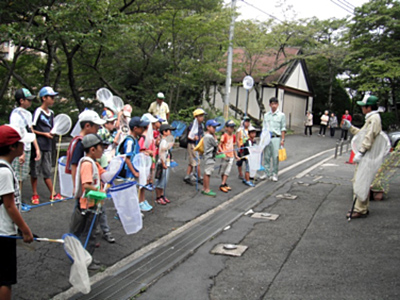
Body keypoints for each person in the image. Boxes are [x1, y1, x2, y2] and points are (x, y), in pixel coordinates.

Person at [0, 125, 34, 300]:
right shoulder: (4, 172)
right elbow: (10, 206)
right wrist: (25, 229)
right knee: (5, 280)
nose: (24, 146)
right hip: (4, 233)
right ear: (12, 147)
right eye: (21, 143)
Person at [69, 134, 107, 270]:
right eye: (100, 147)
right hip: (88, 205)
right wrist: (100, 191)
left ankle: (86, 258)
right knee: (88, 233)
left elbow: (105, 175)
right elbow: (86, 185)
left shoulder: (94, 163)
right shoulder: (87, 164)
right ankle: (85, 260)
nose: (102, 150)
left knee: (90, 233)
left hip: (94, 204)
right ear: (92, 149)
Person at [344, 96, 382, 219]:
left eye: (363, 106)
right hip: (367, 154)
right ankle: (362, 207)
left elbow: (368, 137)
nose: (361, 108)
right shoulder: (372, 118)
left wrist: (361, 151)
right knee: (363, 181)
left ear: (369, 107)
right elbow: (362, 134)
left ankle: (359, 209)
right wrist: (351, 127)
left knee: (359, 181)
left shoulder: (374, 118)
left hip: (367, 155)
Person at [30, 86, 62, 204]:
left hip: (48, 145)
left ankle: (53, 193)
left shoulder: (52, 113)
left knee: (47, 170)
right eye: (51, 97)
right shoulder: (38, 111)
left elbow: (52, 128)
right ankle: (34, 194)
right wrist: (44, 134)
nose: (53, 100)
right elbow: (31, 128)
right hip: (38, 145)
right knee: (35, 170)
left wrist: (53, 133)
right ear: (44, 98)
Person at [116, 116, 151, 212]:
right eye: (141, 127)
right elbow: (127, 159)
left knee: (132, 193)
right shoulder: (130, 141)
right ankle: (123, 212)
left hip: (133, 169)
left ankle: (129, 211)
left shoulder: (135, 140)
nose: (143, 129)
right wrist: (134, 172)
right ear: (135, 128)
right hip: (129, 171)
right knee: (129, 193)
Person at [9, 88, 41, 190]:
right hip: (20, 148)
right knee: (16, 175)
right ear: (21, 100)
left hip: (27, 147)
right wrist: (20, 152)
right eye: (28, 100)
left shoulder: (28, 114)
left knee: (22, 176)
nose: (30, 102)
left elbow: (31, 130)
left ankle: (18, 198)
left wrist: (37, 148)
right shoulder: (16, 114)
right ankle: (15, 199)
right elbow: (16, 133)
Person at [261, 97, 286, 182]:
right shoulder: (266, 115)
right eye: (272, 104)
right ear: (269, 105)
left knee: (275, 156)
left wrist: (282, 140)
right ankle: (267, 173)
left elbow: (283, 128)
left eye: (275, 104)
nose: (274, 106)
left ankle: (274, 173)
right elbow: (264, 127)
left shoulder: (281, 115)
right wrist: (262, 139)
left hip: (276, 138)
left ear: (278, 105)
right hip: (267, 137)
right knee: (266, 156)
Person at [154, 124, 175, 205]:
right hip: (162, 164)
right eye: (169, 130)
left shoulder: (165, 141)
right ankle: (158, 197)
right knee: (160, 180)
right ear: (164, 132)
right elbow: (161, 154)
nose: (170, 132)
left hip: (166, 162)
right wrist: (163, 163)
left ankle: (162, 195)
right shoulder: (163, 142)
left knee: (164, 181)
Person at [183, 108, 205, 185]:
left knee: (192, 161)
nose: (202, 117)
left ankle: (187, 176)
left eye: (203, 116)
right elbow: (189, 136)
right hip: (192, 145)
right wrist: (194, 138)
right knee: (196, 161)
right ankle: (199, 177)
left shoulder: (201, 125)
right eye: (201, 116)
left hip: (197, 145)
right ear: (196, 117)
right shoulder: (193, 125)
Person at [218, 120, 239, 193]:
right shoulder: (224, 136)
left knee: (227, 171)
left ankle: (223, 184)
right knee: (223, 171)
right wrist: (223, 153)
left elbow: (233, 146)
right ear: (226, 128)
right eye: (230, 127)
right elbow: (219, 145)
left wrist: (236, 155)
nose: (232, 129)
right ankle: (223, 183)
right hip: (225, 156)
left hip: (231, 156)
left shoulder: (233, 136)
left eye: (233, 127)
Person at [202, 119, 220, 197]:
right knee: (208, 173)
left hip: (207, 156)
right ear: (208, 127)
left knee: (206, 172)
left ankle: (204, 188)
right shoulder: (210, 137)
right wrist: (216, 138)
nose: (215, 129)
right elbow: (216, 144)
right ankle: (207, 189)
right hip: (209, 157)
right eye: (213, 127)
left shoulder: (205, 135)